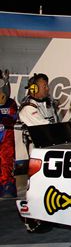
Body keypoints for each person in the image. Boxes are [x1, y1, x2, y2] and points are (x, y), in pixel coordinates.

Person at [0, 69, 18, 198]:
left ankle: (7, 186)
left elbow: (13, 117)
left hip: (6, 134)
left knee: (6, 161)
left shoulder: (10, 102)